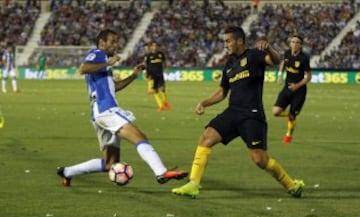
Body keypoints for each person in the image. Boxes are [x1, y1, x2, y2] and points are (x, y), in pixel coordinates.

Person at [172, 26, 304, 198]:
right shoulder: (229, 64)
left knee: (260, 159)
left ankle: (292, 185)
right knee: (206, 138)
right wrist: (204, 103)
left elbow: (277, 60)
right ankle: (193, 184)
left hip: (252, 114)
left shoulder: (254, 55)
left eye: (228, 41)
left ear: (239, 41)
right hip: (233, 112)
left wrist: (269, 48)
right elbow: (222, 92)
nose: (225, 45)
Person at [57, 29, 188, 187]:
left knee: (110, 163)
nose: (116, 45)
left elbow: (114, 87)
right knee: (139, 136)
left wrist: (133, 75)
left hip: (99, 114)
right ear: (102, 43)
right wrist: (108, 63)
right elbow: (83, 68)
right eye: (112, 41)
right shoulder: (98, 53)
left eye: (116, 41)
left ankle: (67, 172)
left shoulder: (103, 63)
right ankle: (161, 172)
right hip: (106, 110)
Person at [272, 34, 312, 144]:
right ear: (290, 43)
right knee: (275, 112)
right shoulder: (287, 53)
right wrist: (279, 75)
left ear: (301, 45)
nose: (294, 44)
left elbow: (308, 77)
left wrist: (297, 86)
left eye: (297, 42)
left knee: (293, 116)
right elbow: (283, 63)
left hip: (299, 91)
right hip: (287, 88)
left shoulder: (304, 58)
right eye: (292, 42)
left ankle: (288, 135)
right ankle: (290, 115)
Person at [144, 41, 171, 111]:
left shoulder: (160, 54)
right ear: (151, 47)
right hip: (152, 75)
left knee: (163, 89)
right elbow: (146, 65)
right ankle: (161, 106)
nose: (154, 47)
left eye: (156, 46)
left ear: (157, 47)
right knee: (155, 91)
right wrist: (147, 74)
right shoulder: (148, 56)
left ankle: (165, 102)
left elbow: (164, 62)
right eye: (153, 46)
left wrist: (167, 69)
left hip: (160, 74)